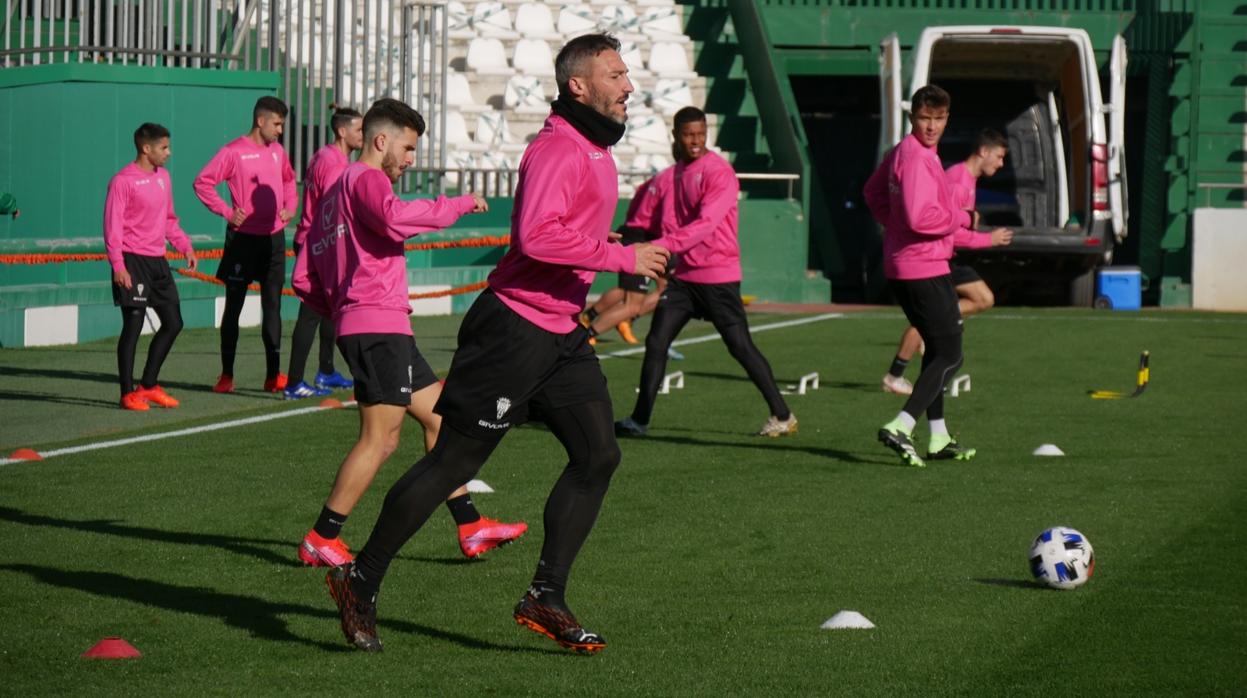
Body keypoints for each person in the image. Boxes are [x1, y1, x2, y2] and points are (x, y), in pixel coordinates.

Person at [320, 34, 670, 653]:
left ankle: (545, 594)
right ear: (579, 87)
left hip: (562, 331)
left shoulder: (594, 152)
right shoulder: (557, 148)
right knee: (453, 462)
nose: (629, 85)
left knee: (598, 456)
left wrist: (613, 246)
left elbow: (567, 232)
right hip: (512, 329)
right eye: (616, 74)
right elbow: (536, 238)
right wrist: (620, 253)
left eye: (627, 74)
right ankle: (360, 578)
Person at [292, 98, 528, 569]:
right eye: (409, 147)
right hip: (376, 323)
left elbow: (303, 277)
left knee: (442, 421)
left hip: (374, 323)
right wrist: (458, 204)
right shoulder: (366, 179)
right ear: (381, 142)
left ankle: (470, 526)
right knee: (381, 440)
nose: (411, 159)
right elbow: (396, 218)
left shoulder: (332, 194)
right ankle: (322, 536)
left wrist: (340, 308)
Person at [615, 107, 796, 439]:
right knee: (656, 341)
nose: (695, 140)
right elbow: (665, 221)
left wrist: (664, 246)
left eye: (700, 134)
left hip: (717, 275)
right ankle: (639, 420)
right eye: (688, 134)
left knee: (740, 346)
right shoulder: (675, 174)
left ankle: (783, 414)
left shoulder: (720, 172)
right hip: (685, 277)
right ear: (677, 136)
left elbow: (705, 224)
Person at [864, 86, 1011, 467]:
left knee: (936, 351)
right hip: (923, 266)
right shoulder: (915, 158)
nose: (931, 127)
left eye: (938, 119)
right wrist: (961, 219)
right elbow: (918, 217)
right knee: (950, 353)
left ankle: (939, 436)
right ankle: (902, 424)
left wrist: (893, 227)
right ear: (912, 116)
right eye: (924, 118)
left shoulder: (906, 151)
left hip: (911, 263)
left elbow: (872, 193)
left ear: (946, 119)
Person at [882, 128, 1013, 395]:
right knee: (972, 302)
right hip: (937, 257)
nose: (1001, 164)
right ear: (983, 151)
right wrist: (988, 240)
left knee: (980, 300)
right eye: (999, 157)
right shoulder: (956, 181)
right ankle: (896, 374)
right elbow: (948, 231)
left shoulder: (968, 179)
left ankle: (904, 365)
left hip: (944, 256)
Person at [194, 96, 297, 394]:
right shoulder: (233, 152)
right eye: (277, 124)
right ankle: (226, 375)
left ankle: (274, 376)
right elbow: (202, 182)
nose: (279, 130)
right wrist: (227, 212)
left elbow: (290, 182)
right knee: (234, 307)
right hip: (241, 241)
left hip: (274, 240)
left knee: (273, 306)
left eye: (282, 125)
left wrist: (290, 207)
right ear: (261, 120)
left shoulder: (278, 152)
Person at [104, 123, 198, 411]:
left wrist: (184, 246)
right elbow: (112, 227)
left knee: (174, 323)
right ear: (147, 149)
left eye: (168, 147)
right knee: (133, 325)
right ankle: (126, 393)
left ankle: (148, 385)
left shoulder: (164, 178)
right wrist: (118, 265)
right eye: (163, 147)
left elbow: (169, 218)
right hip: (132, 261)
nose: (168, 153)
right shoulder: (122, 181)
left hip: (159, 261)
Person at [284, 107, 364, 400]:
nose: (362, 135)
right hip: (318, 245)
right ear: (342, 131)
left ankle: (326, 370)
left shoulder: (327, 157)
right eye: (358, 129)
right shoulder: (333, 165)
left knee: (331, 310)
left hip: (314, 241)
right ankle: (293, 383)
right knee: (310, 315)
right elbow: (333, 213)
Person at [579, 167, 674, 346]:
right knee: (632, 303)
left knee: (659, 286)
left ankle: (591, 317)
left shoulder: (654, 180)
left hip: (633, 233)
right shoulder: (674, 180)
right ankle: (585, 335)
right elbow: (668, 220)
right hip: (646, 237)